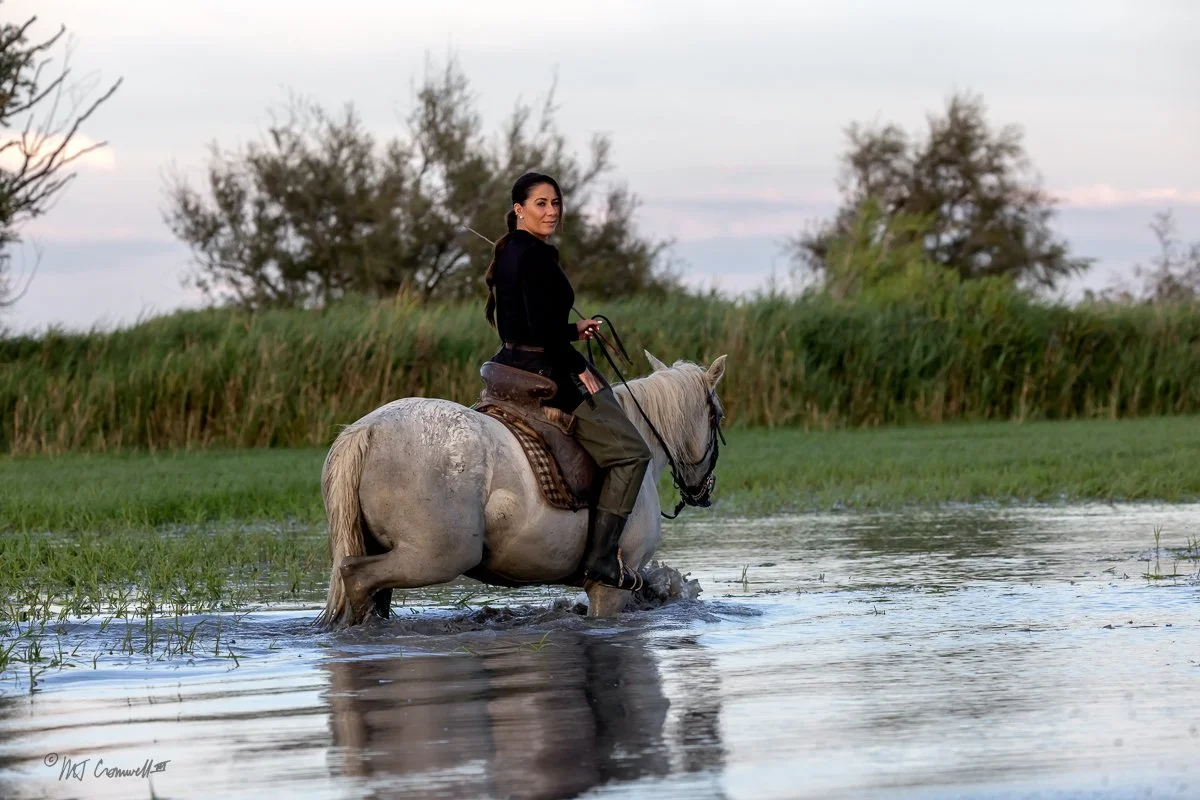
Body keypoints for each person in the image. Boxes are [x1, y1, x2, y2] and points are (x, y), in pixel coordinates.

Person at [483, 171, 652, 591]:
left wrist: (575, 331)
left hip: (511, 362)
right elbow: (545, 335)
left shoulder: (507, 251)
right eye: (541, 203)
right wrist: (579, 369)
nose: (551, 211)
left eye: (556, 203)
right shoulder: (537, 257)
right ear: (519, 209)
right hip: (546, 370)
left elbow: (526, 324)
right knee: (632, 454)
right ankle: (600, 559)